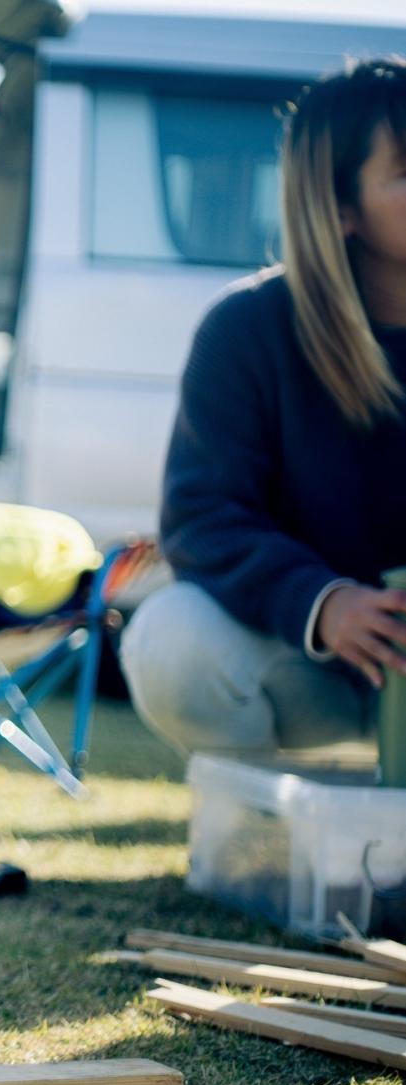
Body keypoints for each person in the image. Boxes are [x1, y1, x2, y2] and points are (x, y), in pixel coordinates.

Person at [121, 57, 406, 759]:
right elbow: (202, 518)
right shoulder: (247, 329)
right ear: (340, 211)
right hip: (311, 667)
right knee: (169, 642)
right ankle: (251, 836)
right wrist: (321, 602)